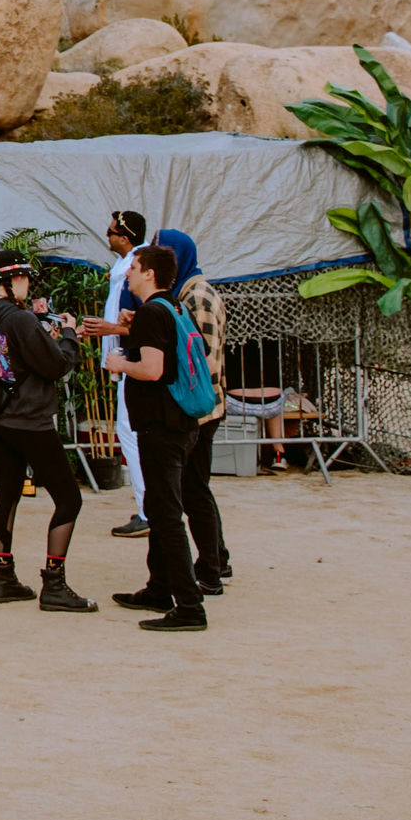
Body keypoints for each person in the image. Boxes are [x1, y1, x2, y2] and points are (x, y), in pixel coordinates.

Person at [0, 253, 95, 612]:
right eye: (25, 277)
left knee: (7, 495)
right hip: (30, 421)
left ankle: (3, 578)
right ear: (12, 280)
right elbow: (56, 365)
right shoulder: (20, 318)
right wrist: (68, 335)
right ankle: (54, 584)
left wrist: (47, 335)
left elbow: (15, 354)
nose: (27, 285)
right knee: (69, 499)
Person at [105, 244, 206, 632]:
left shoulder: (152, 312)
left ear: (149, 273)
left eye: (134, 266)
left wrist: (120, 362)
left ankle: (189, 606)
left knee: (165, 515)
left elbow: (152, 369)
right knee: (163, 506)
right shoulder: (173, 307)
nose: (128, 272)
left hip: (161, 426)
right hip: (181, 423)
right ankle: (159, 587)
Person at [159, 229, 231, 591]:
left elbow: (203, 360)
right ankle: (218, 556)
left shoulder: (198, 298)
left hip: (201, 408)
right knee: (195, 488)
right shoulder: (188, 294)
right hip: (203, 405)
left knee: (194, 490)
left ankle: (211, 569)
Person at [77, 210, 149, 536]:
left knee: (131, 435)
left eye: (110, 232)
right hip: (124, 360)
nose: (106, 237)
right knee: (129, 434)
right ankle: (148, 506)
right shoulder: (125, 269)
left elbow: (146, 322)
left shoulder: (136, 271)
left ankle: (148, 510)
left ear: (125, 237)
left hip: (134, 363)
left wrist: (111, 330)